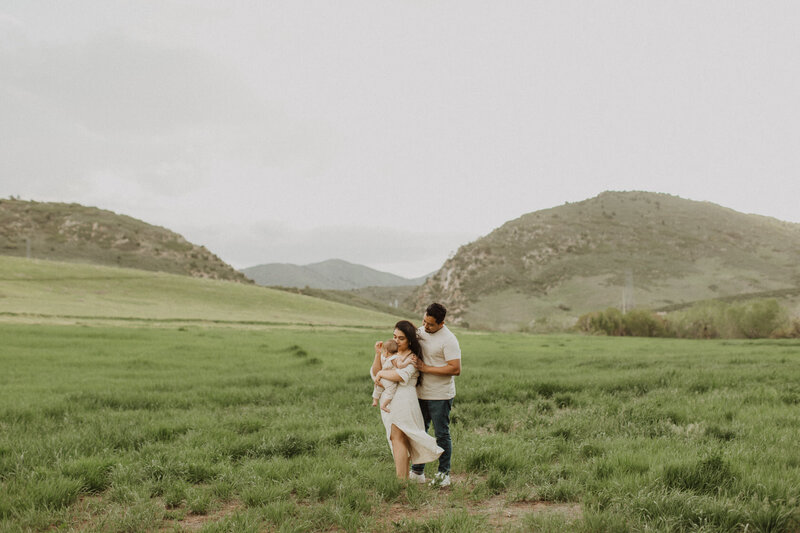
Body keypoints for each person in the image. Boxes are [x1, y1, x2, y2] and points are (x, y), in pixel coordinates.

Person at [371, 320, 443, 479]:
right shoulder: (391, 353)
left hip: (404, 400)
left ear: (409, 340)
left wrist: (382, 375)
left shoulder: (412, 357)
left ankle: (401, 480)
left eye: (401, 338)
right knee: (395, 437)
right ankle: (403, 478)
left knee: (398, 437)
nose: (396, 340)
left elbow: (399, 376)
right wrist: (378, 355)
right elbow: (375, 372)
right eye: (394, 336)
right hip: (391, 399)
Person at [409, 303, 461, 488]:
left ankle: (443, 474)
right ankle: (417, 471)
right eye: (424, 321)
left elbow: (455, 368)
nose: (425, 326)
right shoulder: (422, 331)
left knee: (441, 434)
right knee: (419, 432)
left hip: (440, 395)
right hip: (420, 392)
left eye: (430, 324)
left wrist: (426, 368)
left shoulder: (449, 340)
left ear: (441, 323)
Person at [371, 339, 413, 412]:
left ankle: (375, 400)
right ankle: (384, 405)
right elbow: (400, 366)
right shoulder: (396, 358)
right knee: (391, 392)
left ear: (386, 352)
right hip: (389, 380)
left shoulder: (385, 358)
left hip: (381, 378)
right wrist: (407, 361)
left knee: (377, 388)